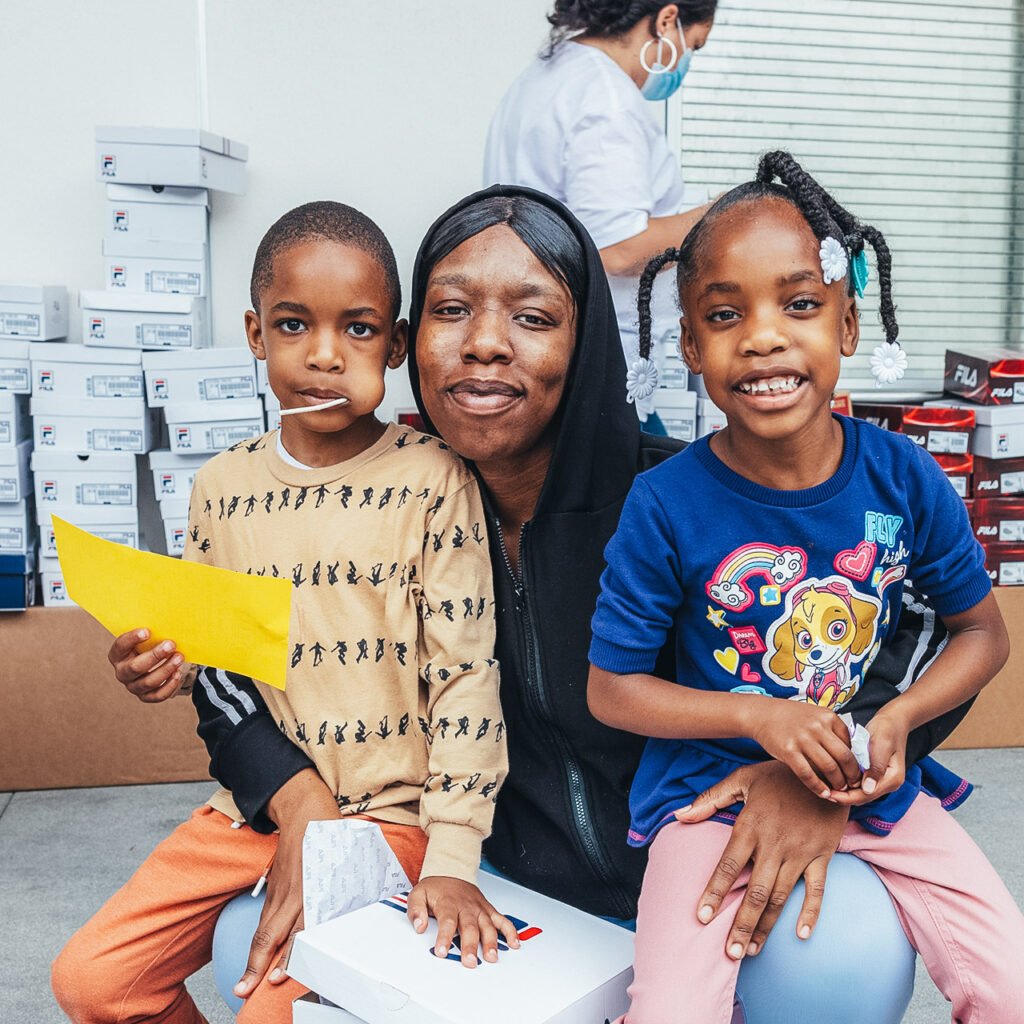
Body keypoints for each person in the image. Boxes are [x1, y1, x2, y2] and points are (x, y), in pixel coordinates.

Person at [107, 185, 969, 1016]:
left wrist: (827, 778)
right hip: (483, 888)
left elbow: (910, 630)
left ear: (586, 341)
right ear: (410, 343)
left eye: (532, 316)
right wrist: (295, 799)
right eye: (452, 311)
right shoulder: (376, 503)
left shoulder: (680, 497)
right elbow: (237, 655)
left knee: (842, 949)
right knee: (246, 944)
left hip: (702, 871)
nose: (485, 344)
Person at [52, 201, 517, 1024]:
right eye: (294, 325)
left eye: (360, 329)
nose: (325, 355)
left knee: (272, 1013)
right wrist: (156, 663)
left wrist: (452, 857)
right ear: (256, 334)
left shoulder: (434, 479)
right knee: (92, 983)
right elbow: (216, 668)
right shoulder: (219, 489)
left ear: (397, 345)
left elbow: (466, 679)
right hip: (251, 810)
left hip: (389, 819)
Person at [587, 152, 1024, 1023]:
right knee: (671, 1010)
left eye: (799, 304)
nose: (763, 336)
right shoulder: (665, 502)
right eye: (723, 314)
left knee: (1011, 985)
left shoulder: (904, 478)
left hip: (878, 788)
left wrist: (893, 723)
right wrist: (758, 717)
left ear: (848, 324)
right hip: (708, 802)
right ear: (688, 346)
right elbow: (612, 689)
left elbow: (984, 635)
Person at [484, 1, 718, 433]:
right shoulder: (606, 98)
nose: (686, 61)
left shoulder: (546, 75)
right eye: (694, 46)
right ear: (667, 21)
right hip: (596, 366)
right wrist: (720, 216)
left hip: (539, 340)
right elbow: (618, 247)